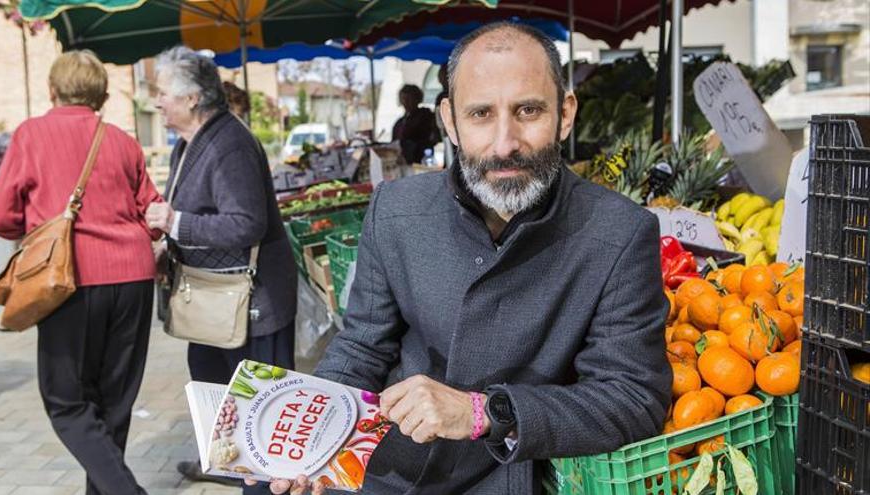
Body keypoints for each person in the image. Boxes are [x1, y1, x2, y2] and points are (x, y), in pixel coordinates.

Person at [259, 21, 671, 495]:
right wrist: (313, 439)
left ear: (565, 112)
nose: (505, 143)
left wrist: (486, 413)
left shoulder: (619, 232)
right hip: (390, 469)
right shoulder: (395, 210)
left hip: (508, 475)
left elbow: (633, 398)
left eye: (529, 110)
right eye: (480, 114)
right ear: (450, 121)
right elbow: (362, 346)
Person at [0, 50, 163, 495]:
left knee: (67, 402)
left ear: (52, 90)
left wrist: (31, 227)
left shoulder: (31, 134)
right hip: (134, 277)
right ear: (103, 95)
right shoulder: (122, 140)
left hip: (66, 279)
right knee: (114, 401)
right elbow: (153, 209)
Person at [144, 46, 298, 494]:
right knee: (216, 398)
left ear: (192, 98)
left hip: (251, 304)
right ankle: (230, 468)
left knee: (258, 411)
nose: (156, 102)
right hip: (215, 300)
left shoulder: (229, 143)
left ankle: (261, 484)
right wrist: (170, 244)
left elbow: (248, 223)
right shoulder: (188, 143)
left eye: (162, 93)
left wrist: (176, 223)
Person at [391, 84, 438, 164]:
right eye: (403, 99)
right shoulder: (399, 123)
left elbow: (431, 138)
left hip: (421, 161)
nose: (406, 102)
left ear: (417, 99)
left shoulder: (426, 115)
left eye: (409, 99)